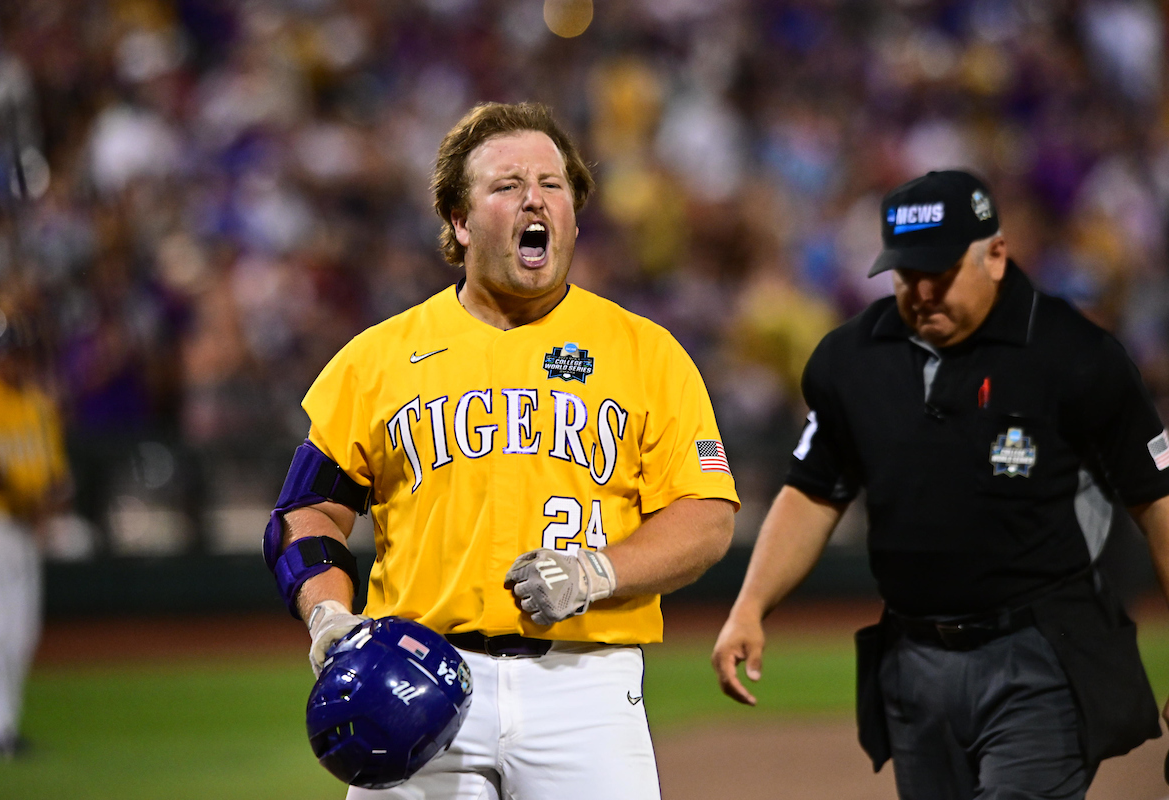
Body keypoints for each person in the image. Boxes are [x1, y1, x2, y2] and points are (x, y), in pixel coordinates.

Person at [265, 101, 739, 799]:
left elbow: (708, 516)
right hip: (416, 677)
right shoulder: (377, 360)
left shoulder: (647, 353)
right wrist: (329, 616)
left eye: (552, 184)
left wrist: (595, 574)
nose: (534, 199)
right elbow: (306, 511)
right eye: (507, 185)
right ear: (459, 222)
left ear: (573, 213)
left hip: (585, 687)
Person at [712, 170, 1169, 799]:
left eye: (942, 272)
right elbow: (813, 492)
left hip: (1042, 653)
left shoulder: (1075, 354)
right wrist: (749, 606)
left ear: (996, 255)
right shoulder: (853, 358)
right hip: (913, 661)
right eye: (906, 273)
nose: (923, 291)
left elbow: (1158, 501)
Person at [0, 303, 71, 757]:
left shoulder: (38, 405)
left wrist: (46, 506)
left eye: (12, 350)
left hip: (25, 530)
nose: (6, 359)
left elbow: (55, 474)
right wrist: (33, 504)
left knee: (19, 633)